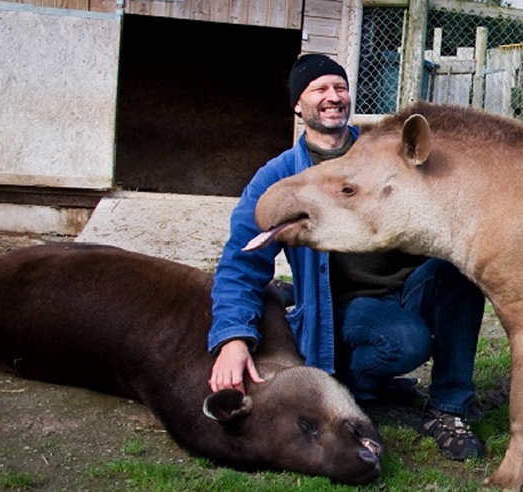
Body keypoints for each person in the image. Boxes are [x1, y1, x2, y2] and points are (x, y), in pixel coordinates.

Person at [206, 54, 486, 461]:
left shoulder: (380, 153)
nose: (333, 97)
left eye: (340, 87)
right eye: (319, 89)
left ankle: (447, 409)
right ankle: (358, 383)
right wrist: (233, 338)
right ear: (297, 105)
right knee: (405, 341)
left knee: (462, 267)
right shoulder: (279, 177)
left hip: (410, 286)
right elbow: (240, 262)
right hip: (345, 305)